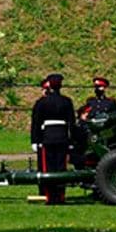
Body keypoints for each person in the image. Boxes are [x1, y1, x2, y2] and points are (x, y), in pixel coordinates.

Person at [28, 74, 77, 205]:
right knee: (61, 167)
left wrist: (35, 140)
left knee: (48, 168)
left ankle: (49, 196)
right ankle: (60, 196)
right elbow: (72, 124)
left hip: (47, 137)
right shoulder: (67, 101)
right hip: (62, 137)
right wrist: (72, 141)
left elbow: (36, 123)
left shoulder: (42, 102)